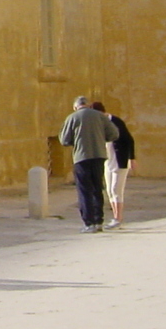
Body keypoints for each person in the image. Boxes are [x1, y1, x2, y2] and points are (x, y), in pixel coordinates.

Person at [59, 96, 118, 233]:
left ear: (75, 107)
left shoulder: (72, 118)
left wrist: (77, 141)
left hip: (81, 157)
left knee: (84, 190)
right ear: (89, 105)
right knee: (97, 188)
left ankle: (88, 222)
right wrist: (101, 138)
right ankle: (99, 221)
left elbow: (64, 140)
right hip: (99, 155)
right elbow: (114, 134)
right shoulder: (100, 116)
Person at [92, 102, 137, 229]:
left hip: (120, 160)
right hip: (108, 160)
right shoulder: (98, 124)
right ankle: (115, 217)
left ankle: (118, 218)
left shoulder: (115, 121)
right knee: (109, 190)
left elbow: (129, 139)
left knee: (116, 189)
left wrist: (132, 158)